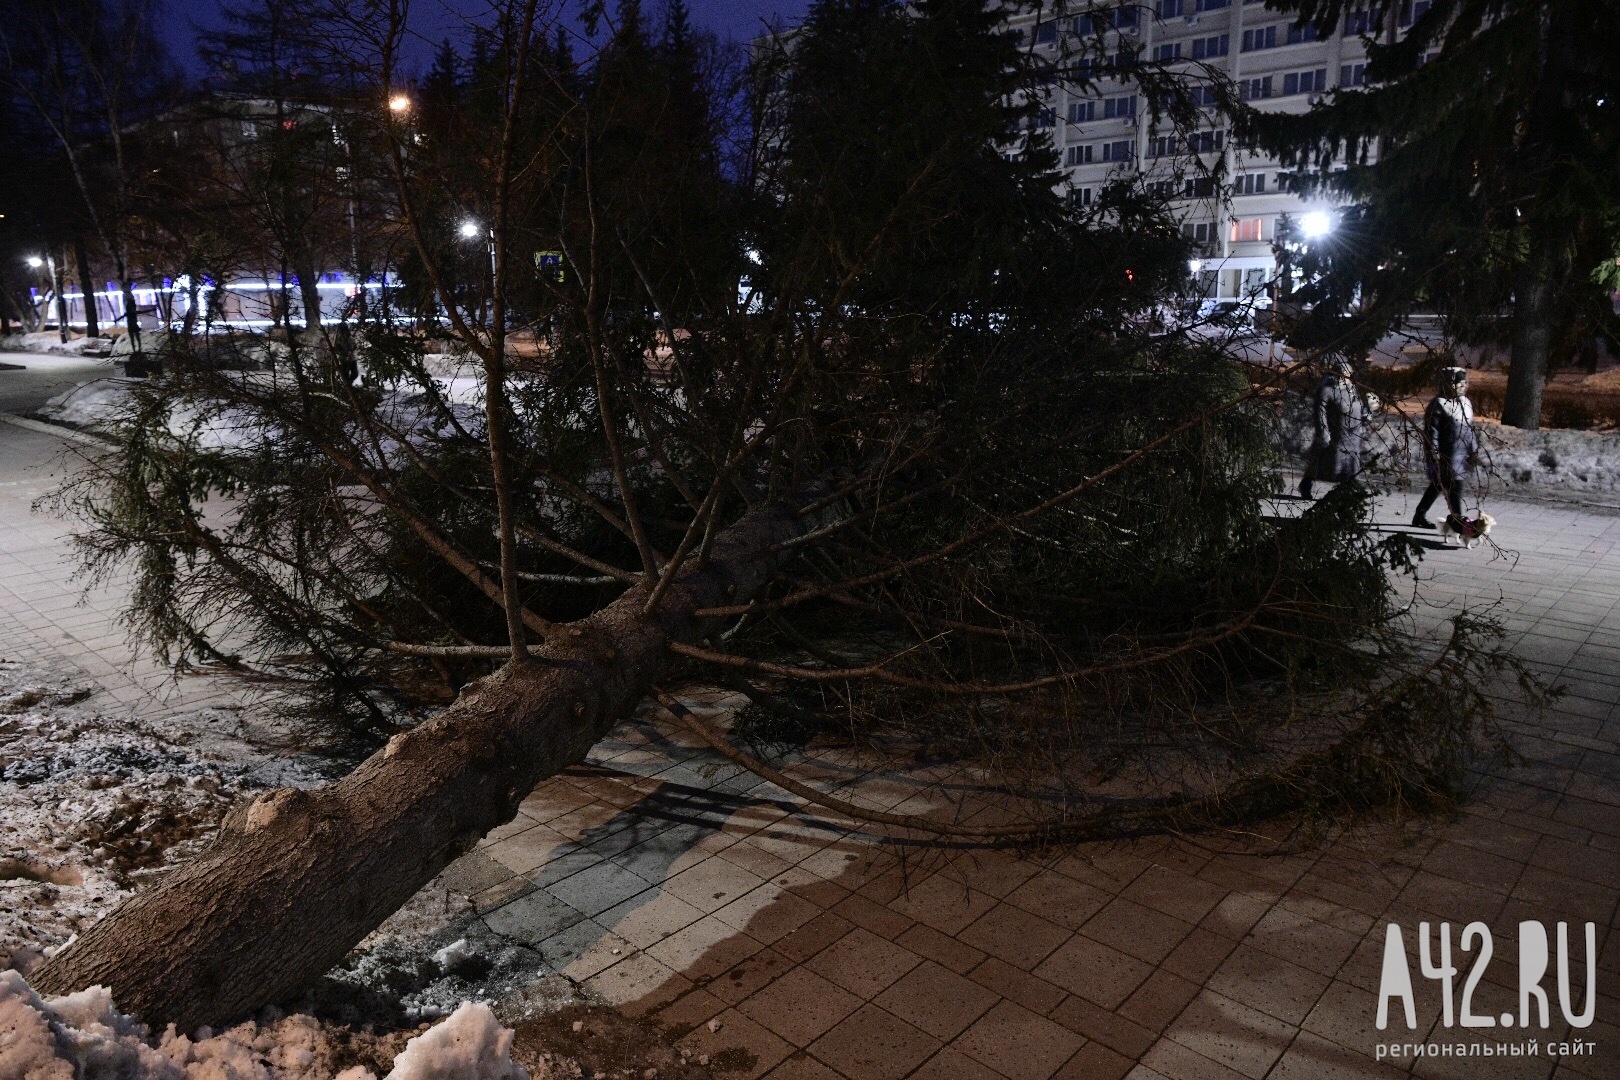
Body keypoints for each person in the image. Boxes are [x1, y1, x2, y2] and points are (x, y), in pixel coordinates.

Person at [1413, 366, 1479, 529]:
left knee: (1438, 484)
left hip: (1461, 454)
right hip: (1445, 454)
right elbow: (1431, 432)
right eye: (1459, 383)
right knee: (1455, 486)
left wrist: (1474, 449)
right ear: (1449, 383)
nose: (1463, 386)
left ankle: (1420, 515)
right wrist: (1434, 453)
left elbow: (1469, 429)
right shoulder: (1438, 404)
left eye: (1465, 383)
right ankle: (1458, 522)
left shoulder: (1465, 403)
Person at [1298, 357, 1369, 499]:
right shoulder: (1326, 390)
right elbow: (1320, 413)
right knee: (1325, 462)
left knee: (1351, 464)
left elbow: (1360, 405)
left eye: (1347, 374)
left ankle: (1348, 490)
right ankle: (1306, 485)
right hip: (1336, 434)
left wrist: (1365, 415)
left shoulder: (1351, 389)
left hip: (1353, 435)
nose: (1345, 377)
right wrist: (1324, 432)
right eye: (1342, 374)